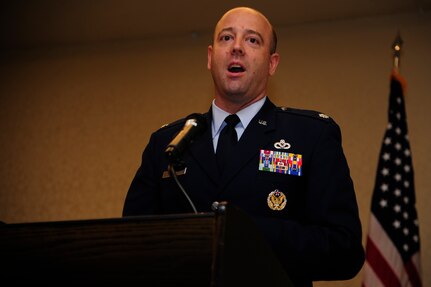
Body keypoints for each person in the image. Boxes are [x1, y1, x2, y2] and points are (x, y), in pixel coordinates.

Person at [123, 7, 364, 286]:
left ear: (272, 63)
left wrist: (249, 235)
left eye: (252, 40)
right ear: (211, 58)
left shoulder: (311, 135)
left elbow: (344, 250)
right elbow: (130, 245)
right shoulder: (167, 143)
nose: (237, 47)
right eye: (226, 38)